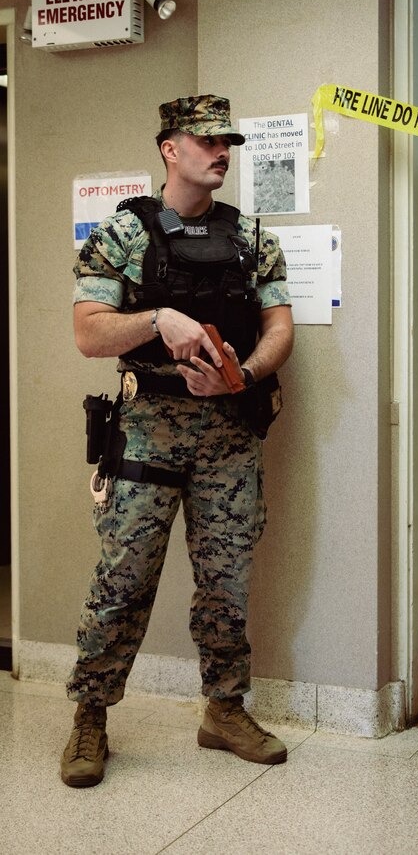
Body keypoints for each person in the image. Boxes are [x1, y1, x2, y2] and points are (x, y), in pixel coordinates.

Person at [60, 94, 294, 788]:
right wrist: (159, 318)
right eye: (207, 140)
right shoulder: (124, 234)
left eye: (228, 142)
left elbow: (281, 328)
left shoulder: (252, 236)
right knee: (122, 581)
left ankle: (224, 711)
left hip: (228, 434)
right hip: (146, 435)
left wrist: (243, 374)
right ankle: (90, 719)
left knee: (226, 583)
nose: (222, 151)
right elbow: (87, 333)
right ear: (171, 148)